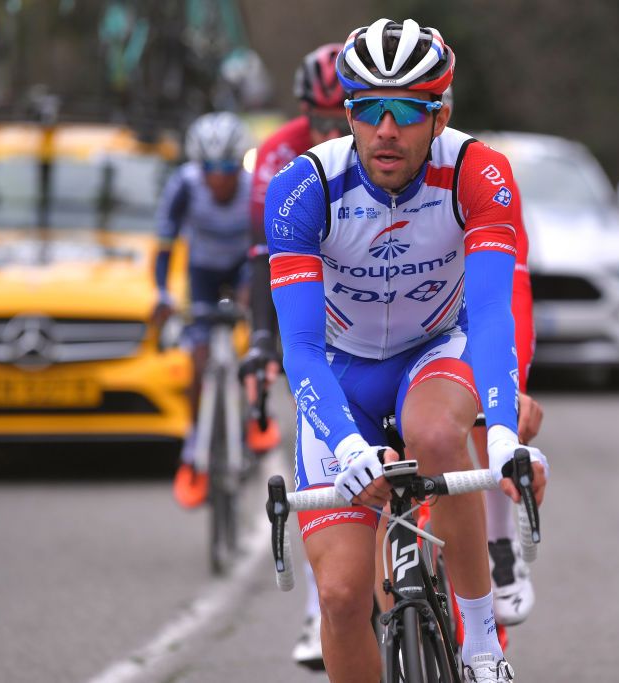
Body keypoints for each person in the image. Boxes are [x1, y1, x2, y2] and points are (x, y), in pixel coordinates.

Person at [263, 18, 548, 682]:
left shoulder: (478, 172)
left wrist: (501, 431)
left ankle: (482, 647)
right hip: (339, 371)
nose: (385, 128)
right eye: (367, 108)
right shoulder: (304, 189)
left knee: (434, 433)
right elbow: (300, 349)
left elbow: (489, 314)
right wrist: (348, 447)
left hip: (434, 352)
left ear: (440, 113)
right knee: (339, 596)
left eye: (407, 109)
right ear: (347, 113)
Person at [246, 41, 348, 671]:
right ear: (303, 112)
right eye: (322, 121)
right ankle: (319, 611)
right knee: (323, 449)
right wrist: (263, 342)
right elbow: (263, 258)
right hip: (308, 297)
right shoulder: (280, 153)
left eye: (345, 120)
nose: (334, 134)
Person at [152, 111, 254, 508]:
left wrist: (256, 304)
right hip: (204, 271)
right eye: (211, 167)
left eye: (229, 166)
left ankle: (250, 412)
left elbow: (269, 247)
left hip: (243, 265)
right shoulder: (184, 185)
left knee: (247, 336)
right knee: (198, 357)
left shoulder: (252, 188)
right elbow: (164, 244)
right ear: (199, 167)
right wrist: (161, 294)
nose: (220, 177)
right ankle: (196, 436)